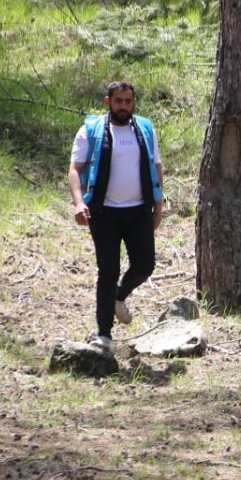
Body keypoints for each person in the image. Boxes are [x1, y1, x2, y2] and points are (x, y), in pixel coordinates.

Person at [67, 81, 164, 351]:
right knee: (108, 271)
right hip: (104, 212)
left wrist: (158, 207)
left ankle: (118, 297)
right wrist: (78, 202)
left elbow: (156, 167)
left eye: (129, 101)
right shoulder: (91, 131)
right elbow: (74, 169)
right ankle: (103, 333)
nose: (124, 106)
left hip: (138, 210)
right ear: (108, 101)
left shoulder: (144, 129)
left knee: (145, 265)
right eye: (119, 101)